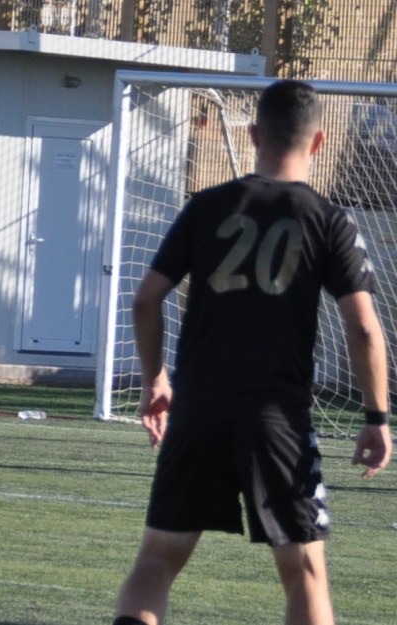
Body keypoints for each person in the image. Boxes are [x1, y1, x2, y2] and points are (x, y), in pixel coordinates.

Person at [112, 80, 392, 625]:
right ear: (319, 142)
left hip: (198, 409)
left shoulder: (205, 206)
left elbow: (145, 300)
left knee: (157, 560)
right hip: (277, 417)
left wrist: (154, 380)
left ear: (254, 134)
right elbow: (363, 328)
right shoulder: (329, 219)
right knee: (304, 574)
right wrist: (376, 418)